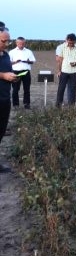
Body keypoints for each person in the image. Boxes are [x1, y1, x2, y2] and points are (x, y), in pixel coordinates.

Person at [0, 25, 18, 173]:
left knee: (1, 131)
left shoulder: (5, 55)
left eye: (8, 42)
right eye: (3, 41)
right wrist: (3, 75)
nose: (6, 44)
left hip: (5, 98)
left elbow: (8, 71)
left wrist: (12, 77)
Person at [56, 33, 76, 107]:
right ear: (67, 40)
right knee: (61, 88)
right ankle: (58, 104)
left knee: (72, 89)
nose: (70, 44)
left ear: (75, 41)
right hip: (64, 71)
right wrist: (59, 71)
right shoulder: (61, 47)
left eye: (72, 43)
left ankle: (71, 105)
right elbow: (60, 60)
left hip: (74, 72)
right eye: (69, 42)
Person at [9, 37, 36, 109]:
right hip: (15, 72)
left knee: (26, 89)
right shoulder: (12, 52)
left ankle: (26, 104)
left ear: (25, 43)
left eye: (23, 43)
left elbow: (33, 61)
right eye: (20, 43)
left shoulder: (29, 51)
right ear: (16, 43)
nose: (21, 45)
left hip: (26, 72)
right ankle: (15, 105)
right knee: (15, 89)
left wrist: (27, 61)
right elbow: (8, 63)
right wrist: (15, 62)